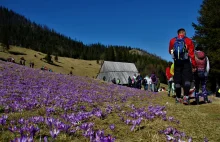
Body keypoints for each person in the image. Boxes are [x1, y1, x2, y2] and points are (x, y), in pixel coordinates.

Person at [169, 28, 197, 105]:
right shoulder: (188, 40)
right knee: (187, 80)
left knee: (177, 81)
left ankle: (178, 98)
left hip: (177, 63)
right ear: (184, 33)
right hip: (186, 62)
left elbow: (170, 51)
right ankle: (186, 98)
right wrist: (194, 65)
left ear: (178, 33)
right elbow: (192, 54)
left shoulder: (172, 40)